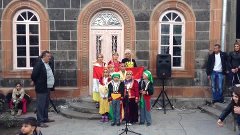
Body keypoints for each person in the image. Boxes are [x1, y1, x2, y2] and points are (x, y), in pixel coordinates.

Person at [31, 51, 55, 128]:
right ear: (43, 56)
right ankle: (39, 121)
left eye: (50, 56)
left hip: (48, 87)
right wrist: (38, 82)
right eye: (48, 56)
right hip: (41, 87)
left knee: (45, 104)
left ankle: (45, 118)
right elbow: (34, 75)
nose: (49, 58)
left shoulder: (48, 64)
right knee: (40, 105)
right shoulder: (39, 64)